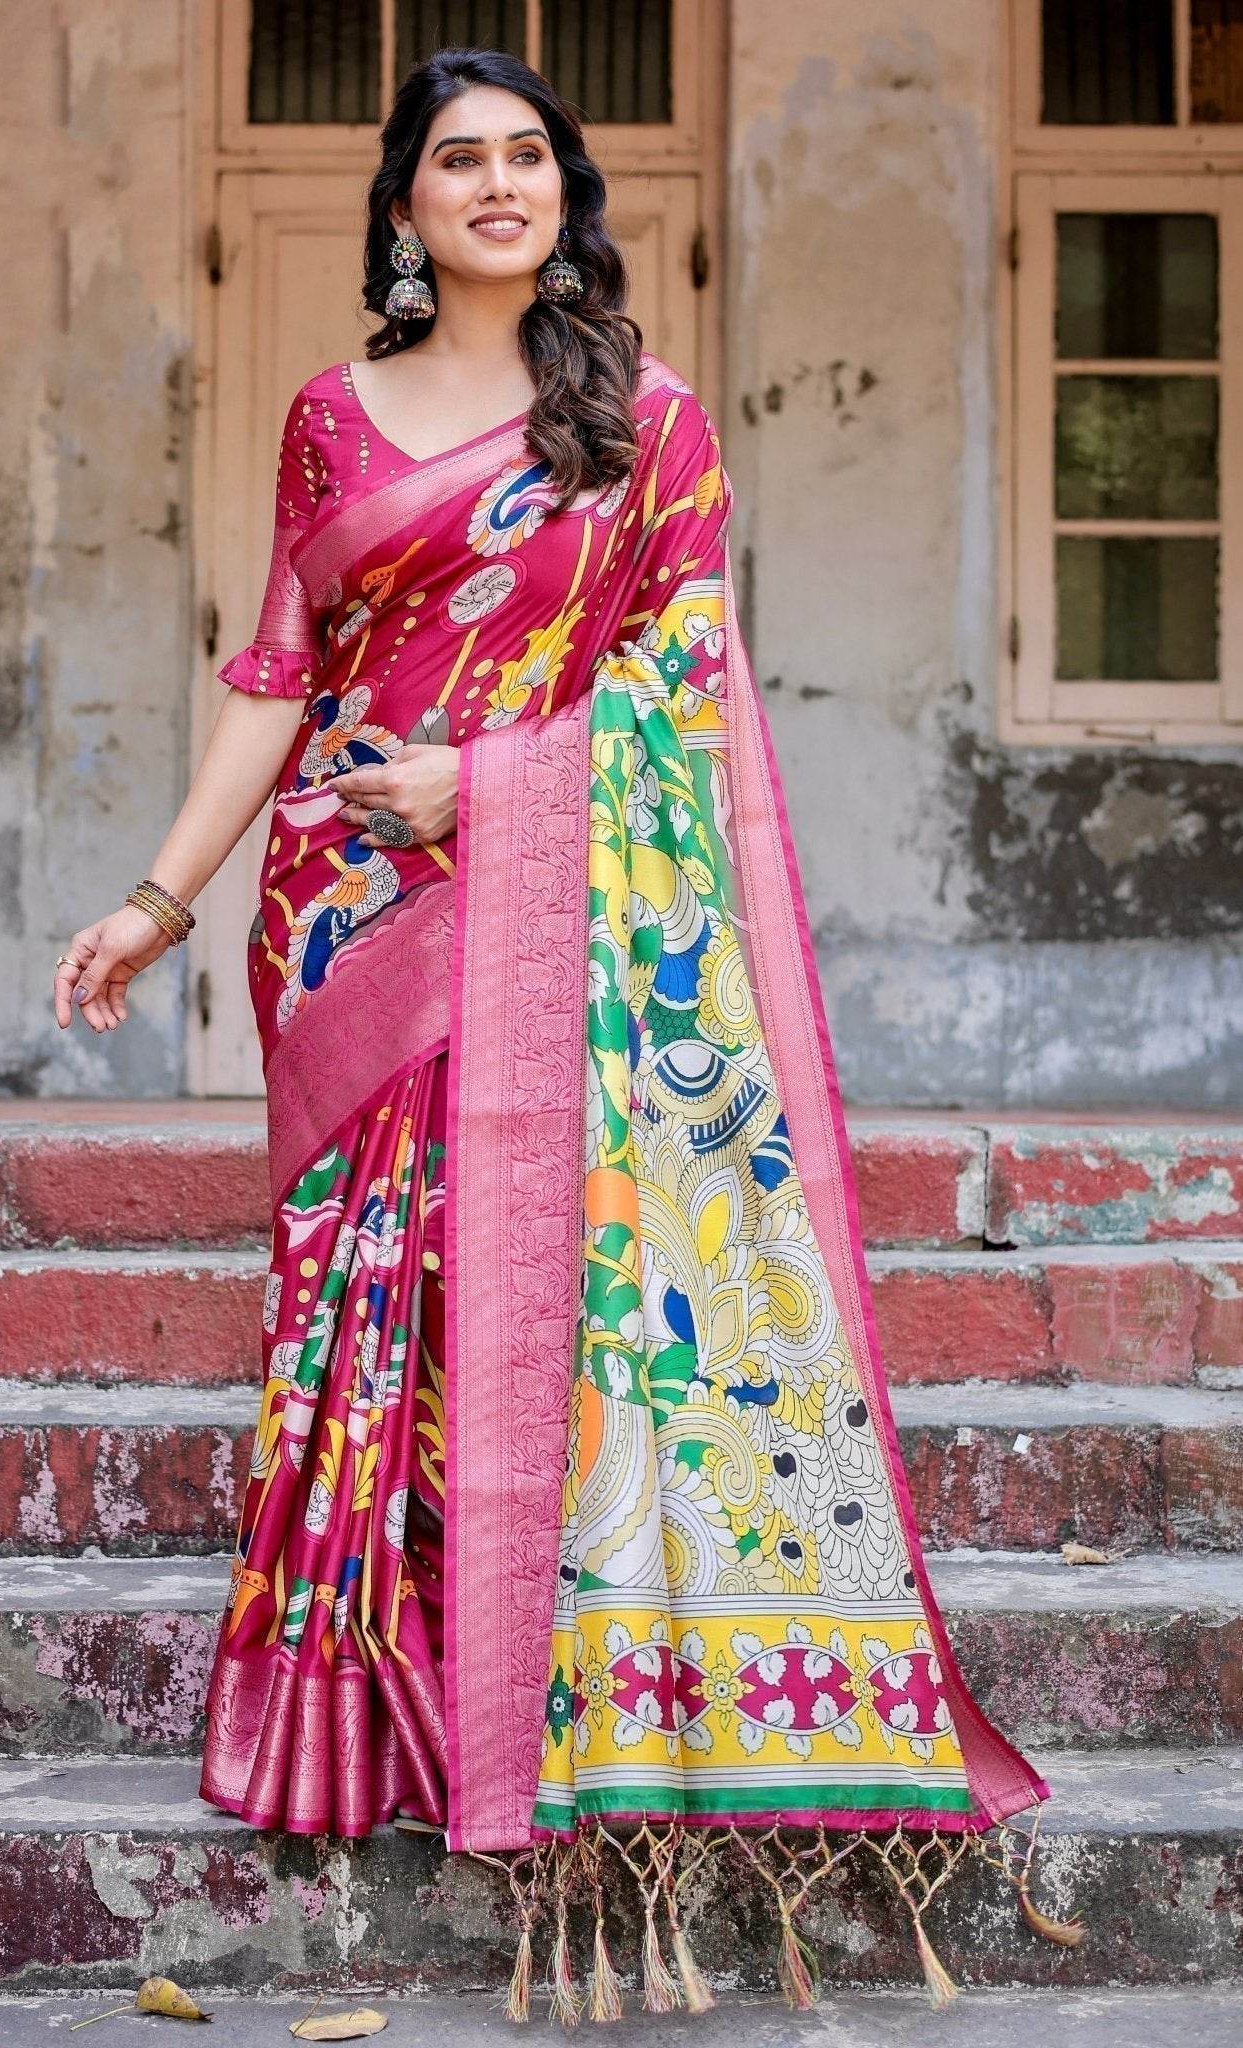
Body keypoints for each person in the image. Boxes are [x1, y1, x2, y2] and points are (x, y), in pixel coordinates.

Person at [54, 43, 1078, 2021]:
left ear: (564, 194)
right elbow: (277, 674)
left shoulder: (644, 421)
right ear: (406, 209)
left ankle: (532, 1697)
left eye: (530, 155)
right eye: (461, 160)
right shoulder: (330, 419)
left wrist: (495, 787)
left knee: (520, 1293)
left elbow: (694, 701)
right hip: (347, 921)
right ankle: (351, 1732)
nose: (499, 183)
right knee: (363, 1308)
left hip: (550, 908)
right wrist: (159, 895)